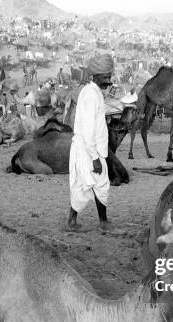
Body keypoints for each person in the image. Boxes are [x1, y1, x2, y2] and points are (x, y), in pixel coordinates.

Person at [66, 53, 123, 234]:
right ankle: (102, 222)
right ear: (95, 76)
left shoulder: (93, 92)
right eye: (105, 77)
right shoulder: (91, 94)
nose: (108, 80)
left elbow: (97, 115)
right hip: (89, 149)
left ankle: (73, 221)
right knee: (100, 185)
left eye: (109, 76)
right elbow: (89, 128)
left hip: (89, 148)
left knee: (85, 185)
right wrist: (94, 158)